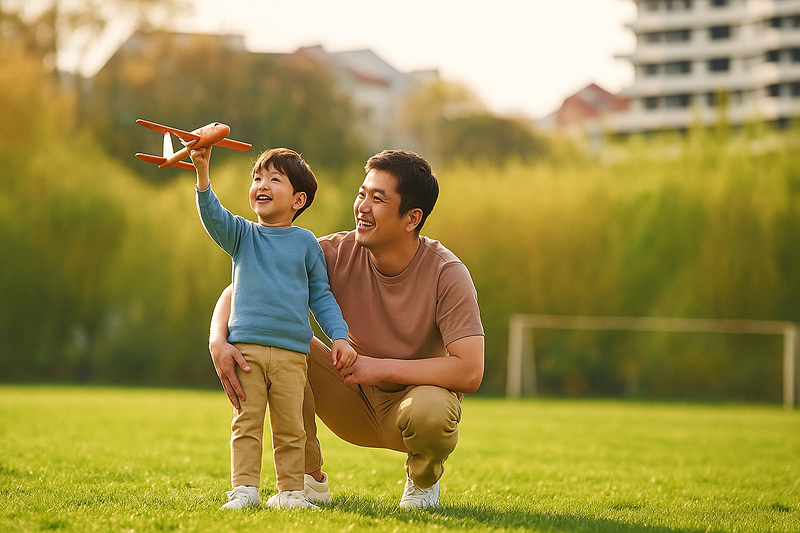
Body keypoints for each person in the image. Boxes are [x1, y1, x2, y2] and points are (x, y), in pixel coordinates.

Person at [209, 150, 484, 508]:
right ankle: (307, 482)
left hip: (412, 407)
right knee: (291, 346)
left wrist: (379, 367)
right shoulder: (333, 251)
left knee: (431, 412)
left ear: (412, 218)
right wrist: (217, 339)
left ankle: (421, 482)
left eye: (378, 199)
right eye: (362, 194)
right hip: (349, 395)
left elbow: (469, 369)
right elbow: (243, 286)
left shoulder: (447, 273)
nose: (362, 207)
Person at [190, 142, 358, 510]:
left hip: (292, 356)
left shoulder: (305, 243)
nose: (261, 184)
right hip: (246, 352)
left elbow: (322, 297)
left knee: (290, 429)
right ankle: (244, 490)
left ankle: (291, 493)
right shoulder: (242, 235)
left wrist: (340, 336)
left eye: (274, 179)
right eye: (257, 177)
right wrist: (203, 173)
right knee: (245, 424)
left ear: (298, 200)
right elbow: (214, 216)